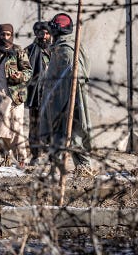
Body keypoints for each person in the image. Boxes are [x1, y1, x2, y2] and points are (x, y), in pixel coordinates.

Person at [39, 13, 93, 172]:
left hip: (70, 101)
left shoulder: (67, 51)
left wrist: (70, 101)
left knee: (74, 136)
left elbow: (78, 77)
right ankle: (54, 169)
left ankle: (84, 169)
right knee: (56, 135)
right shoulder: (60, 48)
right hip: (57, 100)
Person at [0, 24, 32, 169]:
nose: (4, 37)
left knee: (16, 128)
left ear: (11, 34)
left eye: (7, 34)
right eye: (2, 34)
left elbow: (28, 71)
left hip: (15, 95)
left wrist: (20, 75)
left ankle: (22, 158)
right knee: (0, 128)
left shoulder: (18, 51)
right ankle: (6, 156)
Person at [24, 21, 52, 166]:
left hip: (53, 96)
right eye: (41, 33)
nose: (44, 36)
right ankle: (36, 156)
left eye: (47, 33)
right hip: (36, 94)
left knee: (53, 125)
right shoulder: (28, 51)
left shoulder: (56, 51)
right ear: (36, 34)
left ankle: (52, 155)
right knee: (35, 126)